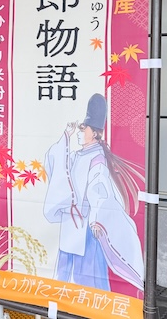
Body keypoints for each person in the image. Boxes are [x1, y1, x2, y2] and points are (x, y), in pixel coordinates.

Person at [43, 93, 144, 292]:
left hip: (86, 231)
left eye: (83, 128)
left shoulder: (97, 159)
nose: (80, 131)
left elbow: (100, 190)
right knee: (63, 280)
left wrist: (97, 218)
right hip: (69, 227)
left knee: (86, 282)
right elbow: (54, 162)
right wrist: (65, 136)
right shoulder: (75, 155)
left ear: (95, 133)